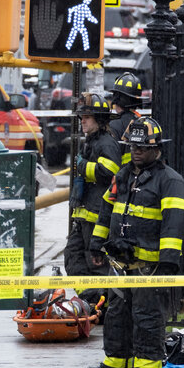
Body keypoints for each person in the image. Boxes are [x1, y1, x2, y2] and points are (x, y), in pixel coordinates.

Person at [85, 117, 184, 368]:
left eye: (142, 147)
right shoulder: (124, 175)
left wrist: (167, 261)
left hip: (149, 267)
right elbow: (107, 208)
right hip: (120, 264)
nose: (136, 151)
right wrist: (97, 243)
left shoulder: (170, 181)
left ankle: (148, 365)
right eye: (132, 146)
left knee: (147, 316)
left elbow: (174, 224)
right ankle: (117, 361)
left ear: (157, 149)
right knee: (117, 314)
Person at [64, 93, 121, 304]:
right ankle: (90, 300)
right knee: (73, 258)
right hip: (83, 216)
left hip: (96, 217)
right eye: (81, 117)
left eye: (87, 117)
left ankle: (102, 305)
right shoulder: (91, 142)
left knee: (95, 264)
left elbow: (111, 171)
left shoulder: (106, 143)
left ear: (99, 118)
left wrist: (82, 166)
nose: (83, 121)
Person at [106, 72, 143, 166]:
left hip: (121, 177)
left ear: (117, 98)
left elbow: (110, 160)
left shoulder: (114, 126)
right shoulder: (144, 123)